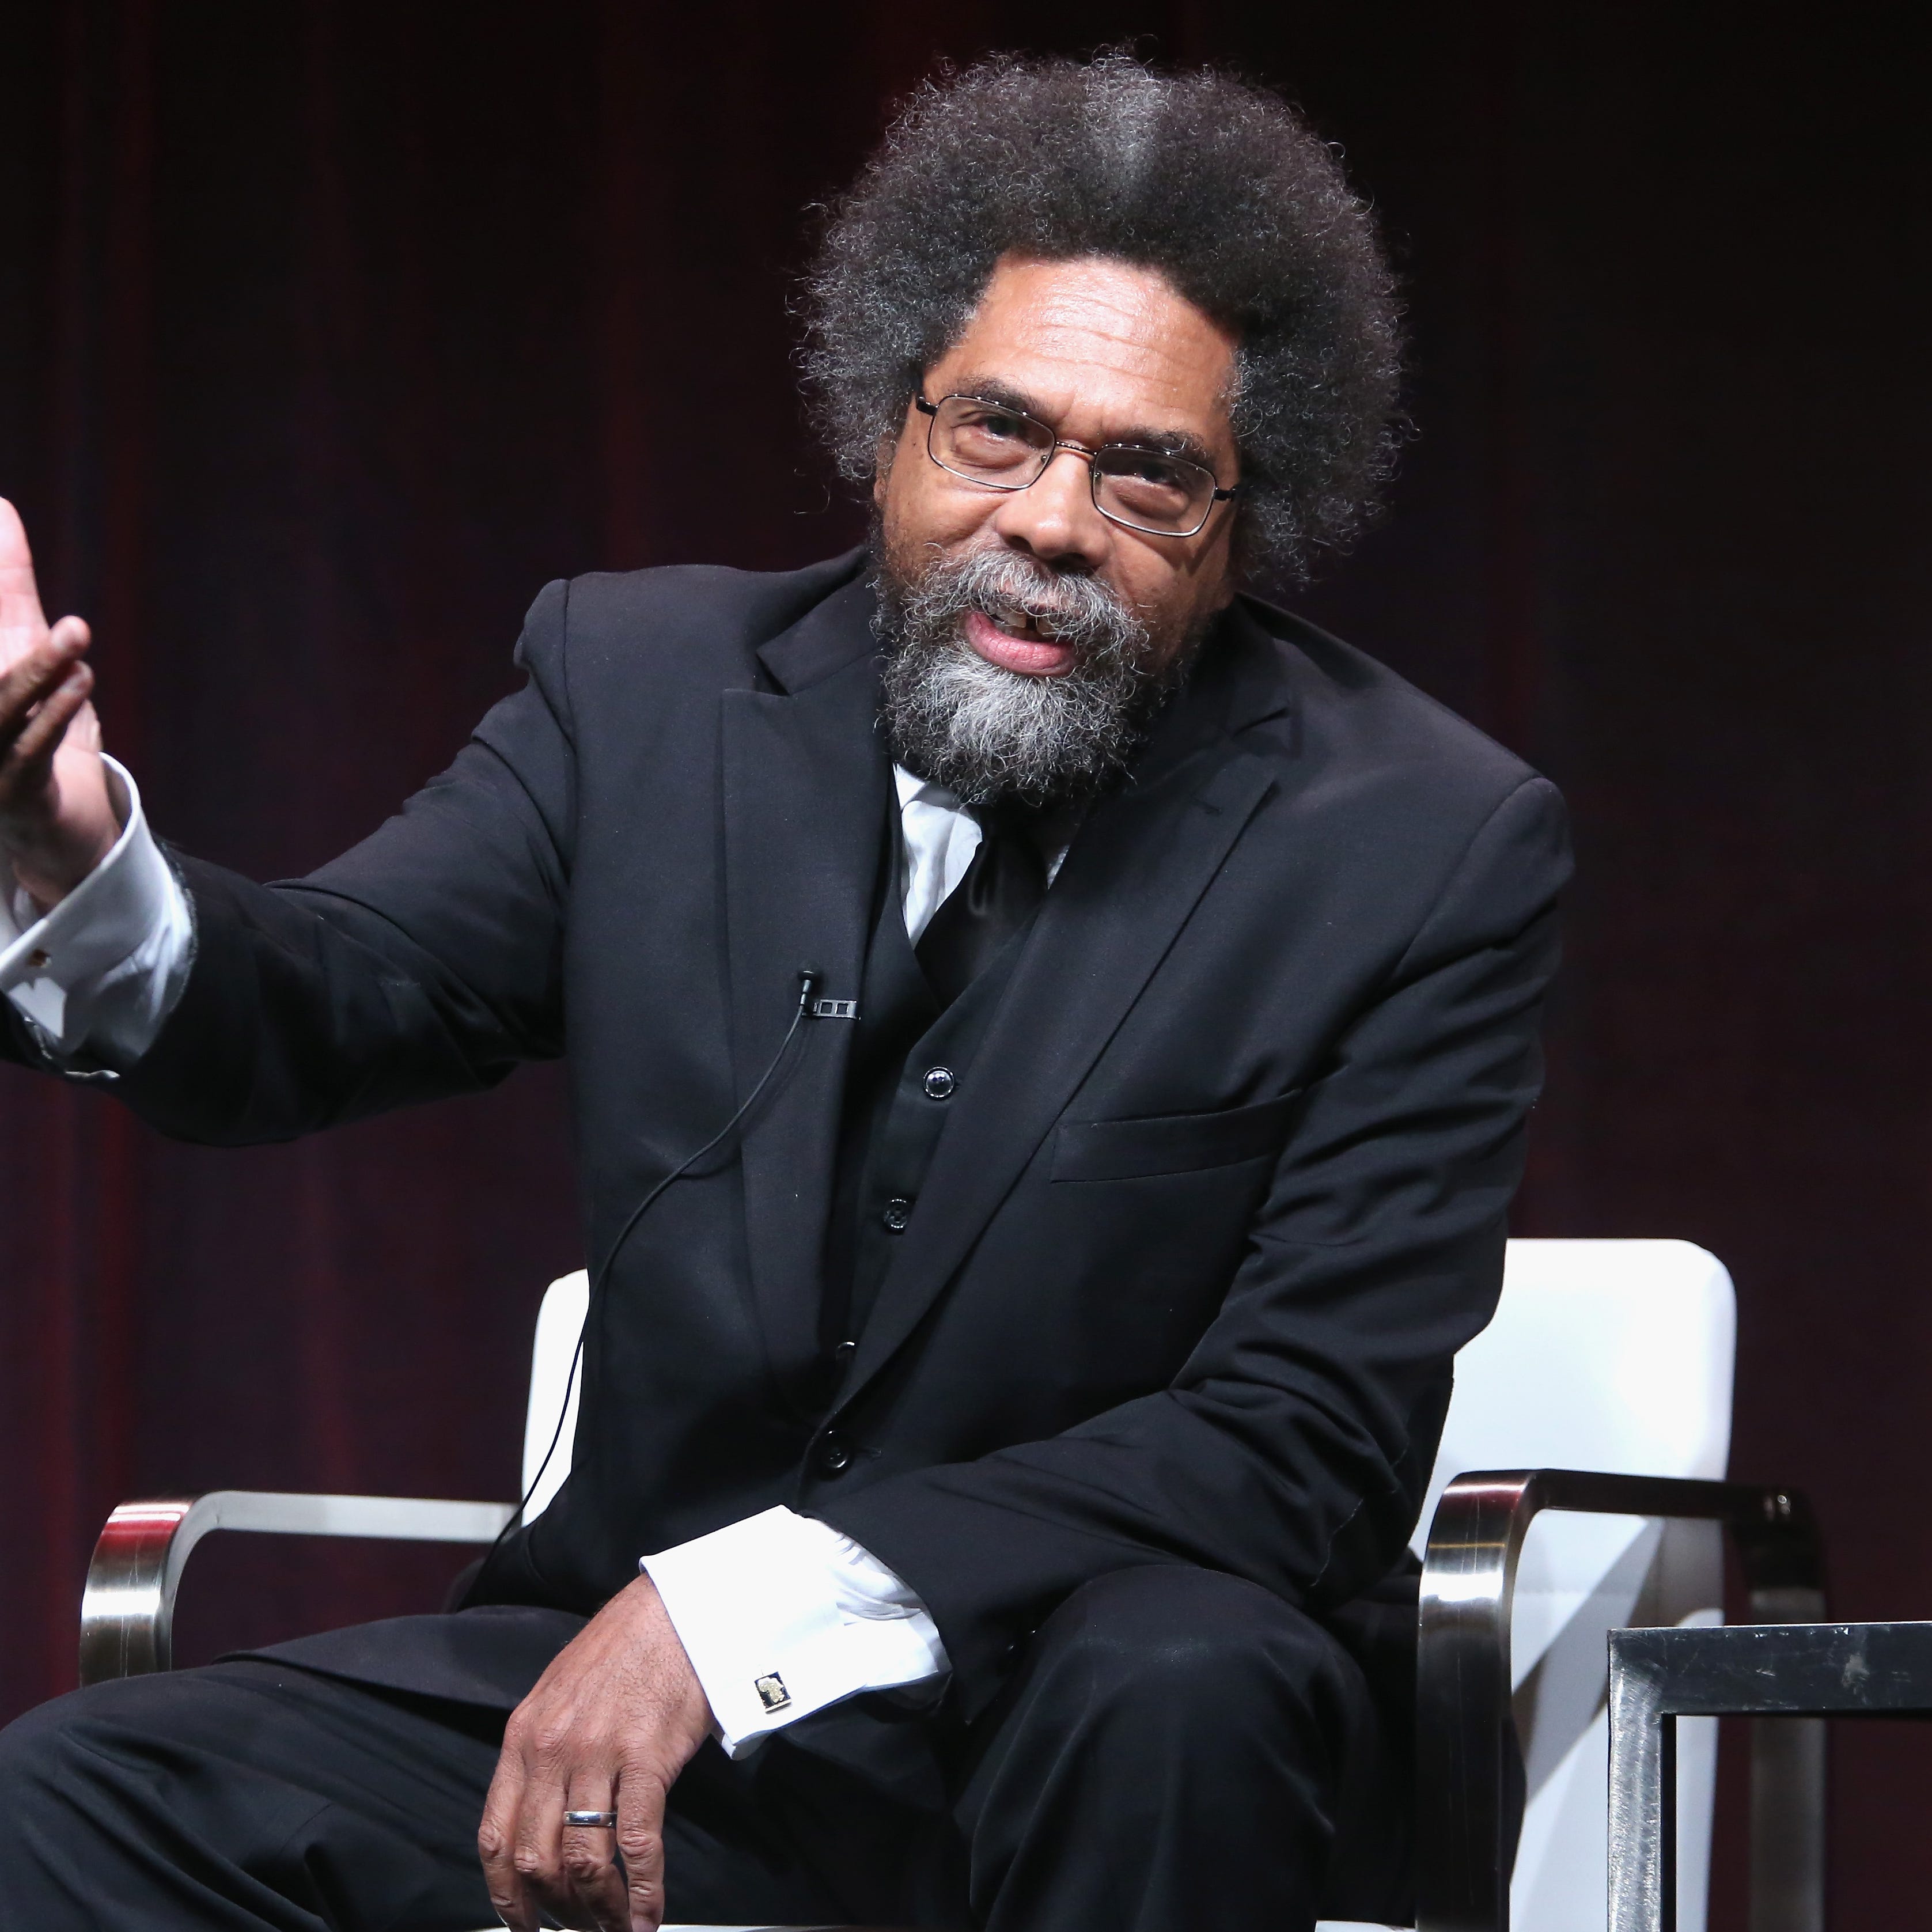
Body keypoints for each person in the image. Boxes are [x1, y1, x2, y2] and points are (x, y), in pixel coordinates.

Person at [0, 51, 1569, 1932]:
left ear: (1247, 518)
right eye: (996, 429)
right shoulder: (644, 688)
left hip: (1097, 1732)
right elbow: (322, 1000)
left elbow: (1296, 1437)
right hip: (657, 1723)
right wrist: (69, 856)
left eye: (1145, 470)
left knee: (1180, 1675)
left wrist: (735, 1604)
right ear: (885, 422)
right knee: (77, 1799)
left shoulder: (1422, 837)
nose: (1053, 519)